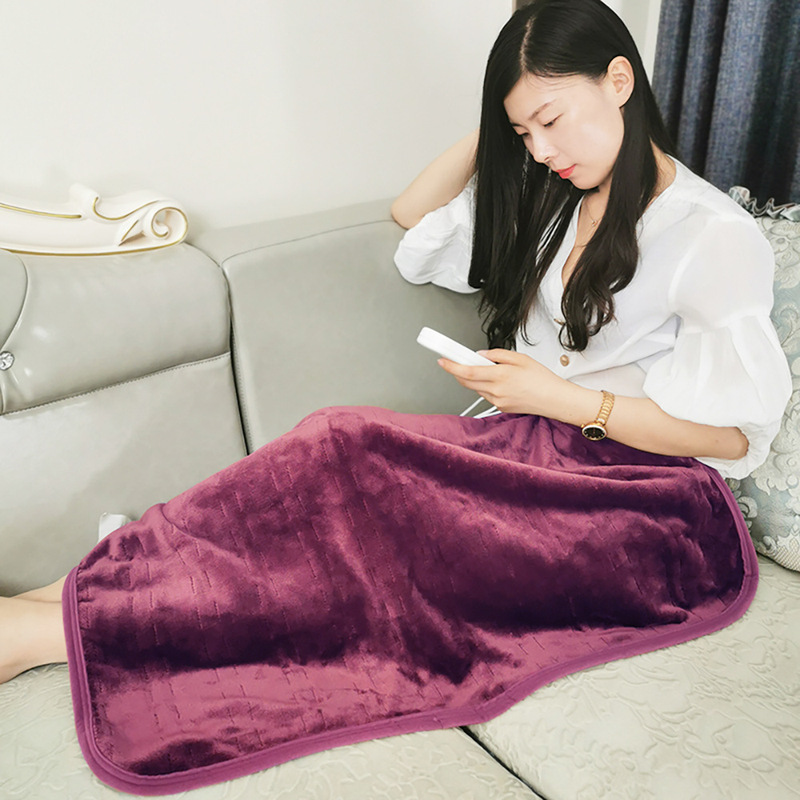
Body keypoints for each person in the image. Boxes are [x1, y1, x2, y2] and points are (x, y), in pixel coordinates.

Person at [0, 0, 792, 792]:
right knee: (331, 454)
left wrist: (560, 399)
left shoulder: (711, 236)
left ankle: (56, 631)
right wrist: (500, 131)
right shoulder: (561, 193)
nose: (542, 150)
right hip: (535, 452)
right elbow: (412, 219)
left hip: (643, 507)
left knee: (357, 483)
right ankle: (68, 595)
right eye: (524, 133)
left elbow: (732, 438)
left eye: (551, 120)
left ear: (620, 80)